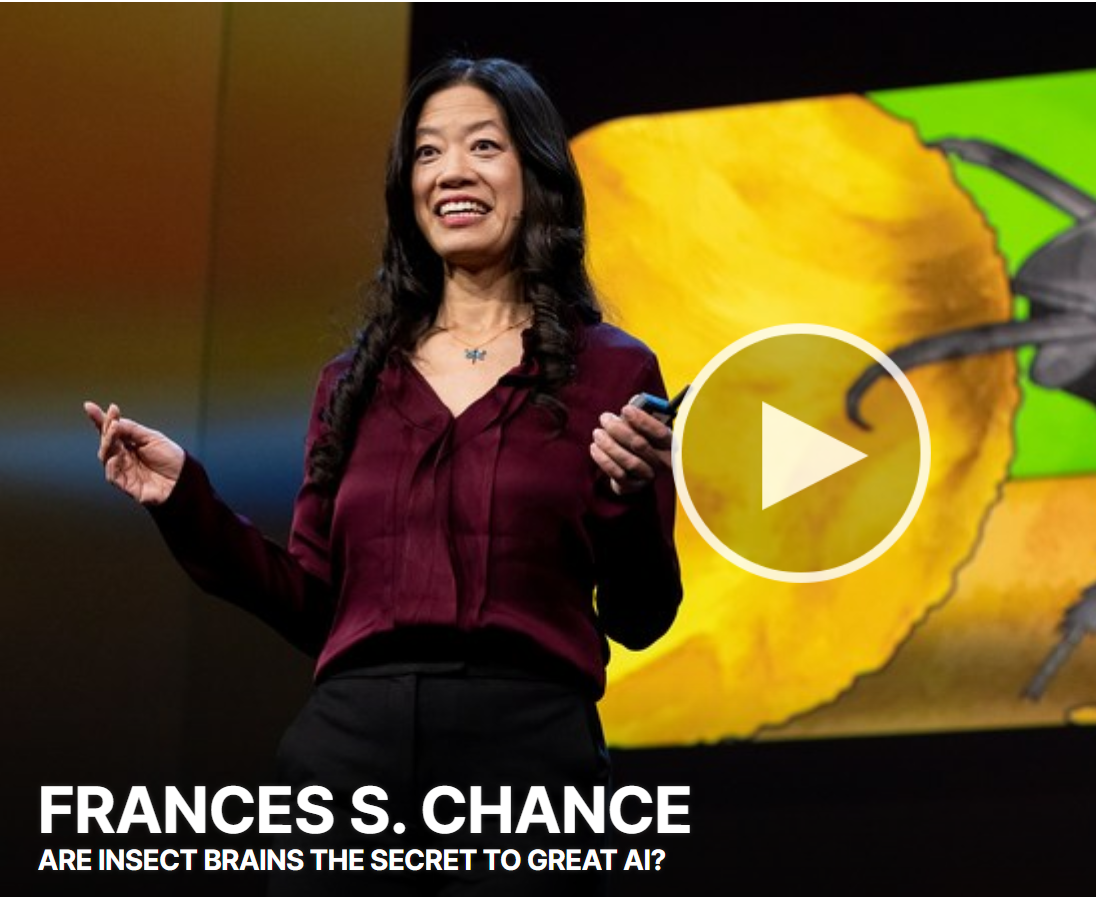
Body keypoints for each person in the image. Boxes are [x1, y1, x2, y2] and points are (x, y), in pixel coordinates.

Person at [84, 57, 682, 896]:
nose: (452, 172)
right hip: (347, 759)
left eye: (484, 145)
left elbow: (641, 615)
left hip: (528, 761)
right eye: (428, 152)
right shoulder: (353, 381)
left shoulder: (611, 370)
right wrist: (187, 502)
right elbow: (314, 605)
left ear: (538, 173)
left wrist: (625, 496)